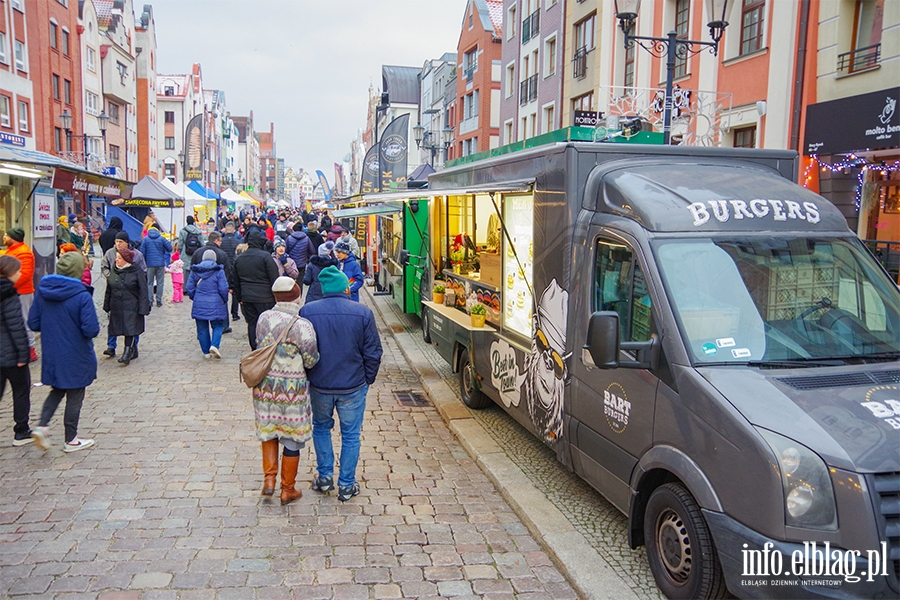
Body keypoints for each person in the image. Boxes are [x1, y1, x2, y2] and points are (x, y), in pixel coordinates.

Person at [300, 266, 382, 501]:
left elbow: (303, 350)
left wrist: (309, 374)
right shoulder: (362, 312)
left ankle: (325, 477)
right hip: (352, 384)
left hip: (320, 383)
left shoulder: (308, 311)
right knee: (351, 434)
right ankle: (346, 484)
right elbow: (373, 351)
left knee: (322, 427)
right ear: (345, 287)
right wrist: (368, 378)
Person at [253, 277, 319, 505]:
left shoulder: (263, 318)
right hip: (292, 391)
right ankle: (287, 489)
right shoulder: (302, 325)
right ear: (296, 297)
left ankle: (269, 480)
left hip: (265, 386)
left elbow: (258, 343)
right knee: (291, 438)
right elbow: (310, 359)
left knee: (269, 430)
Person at [28, 252, 100, 452]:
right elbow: (91, 329)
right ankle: (71, 439)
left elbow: (33, 322)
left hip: (52, 352)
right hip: (77, 353)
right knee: (75, 394)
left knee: (57, 390)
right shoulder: (81, 295)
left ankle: (42, 426)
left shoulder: (43, 292)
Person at [0, 255, 32, 446]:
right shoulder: (8, 293)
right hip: (11, 355)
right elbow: (17, 327)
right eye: (18, 270)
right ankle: (21, 431)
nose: (20, 273)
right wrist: (23, 355)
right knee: (20, 391)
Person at [233, 231, 280, 349]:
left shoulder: (239, 258)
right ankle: (266, 348)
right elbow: (274, 278)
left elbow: (235, 280)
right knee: (267, 324)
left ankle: (254, 348)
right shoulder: (265, 257)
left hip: (247, 297)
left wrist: (239, 298)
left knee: (252, 324)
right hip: (266, 297)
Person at [101, 232, 146, 357]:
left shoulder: (137, 255)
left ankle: (131, 348)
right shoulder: (110, 253)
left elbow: (143, 277)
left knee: (131, 326)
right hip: (116, 295)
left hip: (131, 299)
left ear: (127, 242)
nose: (118, 244)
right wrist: (111, 277)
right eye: (116, 241)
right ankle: (111, 346)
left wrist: (144, 305)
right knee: (113, 324)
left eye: (120, 241)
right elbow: (104, 267)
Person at [1, 227, 37, 362]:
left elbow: (25, 275)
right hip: (13, 291)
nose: (4, 237)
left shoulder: (24, 253)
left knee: (24, 320)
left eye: (6, 235)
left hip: (22, 292)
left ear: (13, 238)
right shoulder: (12, 251)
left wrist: (7, 287)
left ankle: (30, 349)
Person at [185, 249, 229, 359]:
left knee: (202, 328)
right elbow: (223, 288)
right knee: (218, 325)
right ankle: (214, 345)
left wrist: (195, 297)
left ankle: (206, 352)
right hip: (216, 302)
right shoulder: (219, 270)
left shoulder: (195, 270)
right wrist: (224, 299)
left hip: (199, 302)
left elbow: (189, 287)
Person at [141, 223, 172, 307]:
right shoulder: (161, 238)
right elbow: (170, 248)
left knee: (149, 283)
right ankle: (159, 300)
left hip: (149, 264)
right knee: (160, 282)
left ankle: (150, 300)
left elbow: (142, 252)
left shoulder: (145, 239)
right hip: (160, 264)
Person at [220, 221, 242, 323]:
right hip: (234, 268)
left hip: (223, 269)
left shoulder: (221, 242)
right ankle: (234, 313)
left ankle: (223, 312)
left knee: (222, 291)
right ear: (234, 231)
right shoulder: (238, 242)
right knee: (235, 293)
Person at [285, 222, 316, 291]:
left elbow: (285, 250)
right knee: (299, 282)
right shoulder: (306, 238)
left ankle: (291, 296)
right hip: (302, 264)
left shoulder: (289, 238)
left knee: (290, 281)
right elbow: (312, 251)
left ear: (293, 230)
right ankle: (299, 296)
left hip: (291, 264)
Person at [176, 215, 204, 280]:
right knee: (195, 272)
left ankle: (185, 288)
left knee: (185, 274)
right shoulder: (198, 231)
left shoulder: (183, 231)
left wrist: (180, 251)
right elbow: (202, 244)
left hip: (185, 254)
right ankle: (193, 287)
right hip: (196, 254)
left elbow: (180, 244)